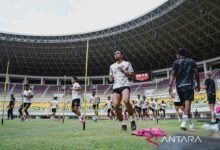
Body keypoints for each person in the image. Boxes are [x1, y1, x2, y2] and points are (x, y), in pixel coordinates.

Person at [169, 48, 200, 130]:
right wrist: (198, 84)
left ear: (178, 54)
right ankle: (183, 123)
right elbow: (196, 74)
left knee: (184, 106)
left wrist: (170, 86)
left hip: (179, 86)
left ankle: (190, 124)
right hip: (189, 85)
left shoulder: (175, 63)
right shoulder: (191, 61)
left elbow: (172, 74)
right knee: (187, 105)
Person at [109, 50, 136, 131]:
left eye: (117, 53)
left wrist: (124, 71)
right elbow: (110, 77)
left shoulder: (127, 63)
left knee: (126, 101)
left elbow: (132, 75)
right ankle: (123, 124)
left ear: (122, 55)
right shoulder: (112, 66)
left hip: (125, 85)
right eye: (115, 53)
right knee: (115, 106)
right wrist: (111, 78)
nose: (116, 55)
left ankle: (132, 120)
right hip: (116, 87)